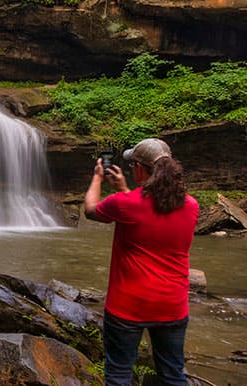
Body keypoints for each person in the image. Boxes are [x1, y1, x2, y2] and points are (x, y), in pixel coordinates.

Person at [84, 138, 199, 386]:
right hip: (172, 305)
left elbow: (91, 210)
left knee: (119, 374)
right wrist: (125, 190)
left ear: (139, 169)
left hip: (128, 306)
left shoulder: (125, 204)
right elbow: (148, 212)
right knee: (172, 374)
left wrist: (97, 178)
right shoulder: (191, 206)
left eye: (133, 164)